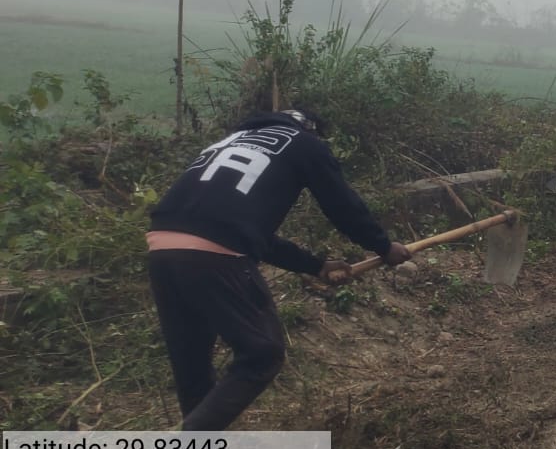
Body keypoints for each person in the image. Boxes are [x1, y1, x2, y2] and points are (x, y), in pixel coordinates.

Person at [145, 108, 412, 430]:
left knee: (192, 364)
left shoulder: (229, 142)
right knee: (262, 352)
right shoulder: (304, 143)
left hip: (162, 249)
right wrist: (383, 246)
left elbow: (249, 233)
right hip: (216, 255)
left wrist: (316, 266)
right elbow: (342, 206)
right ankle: (184, 446)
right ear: (309, 128)